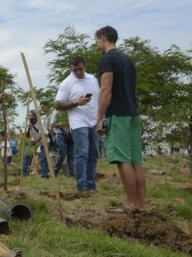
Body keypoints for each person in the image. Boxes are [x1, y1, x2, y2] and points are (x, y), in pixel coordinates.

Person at [95, 26, 144, 213]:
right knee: (135, 161)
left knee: (123, 160)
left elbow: (106, 90)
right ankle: (140, 204)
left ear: (103, 38)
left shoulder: (107, 59)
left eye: (97, 40)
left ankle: (131, 205)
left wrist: (99, 118)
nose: (96, 44)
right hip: (133, 113)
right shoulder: (127, 59)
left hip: (118, 114)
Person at [55, 55, 100, 192]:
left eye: (80, 69)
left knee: (93, 153)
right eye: (75, 70)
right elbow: (57, 104)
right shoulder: (67, 83)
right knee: (82, 152)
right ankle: (82, 185)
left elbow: (99, 98)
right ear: (71, 69)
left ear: (85, 66)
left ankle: (91, 185)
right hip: (78, 121)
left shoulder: (92, 79)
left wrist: (101, 118)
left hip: (94, 120)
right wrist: (76, 103)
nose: (78, 72)